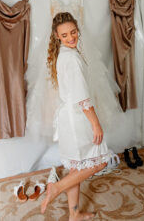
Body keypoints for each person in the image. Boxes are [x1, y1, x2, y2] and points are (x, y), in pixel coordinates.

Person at [41, 12, 111, 220]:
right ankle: (57, 188)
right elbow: (82, 98)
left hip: (68, 118)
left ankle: (74, 214)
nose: (71, 38)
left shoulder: (65, 54)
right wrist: (96, 125)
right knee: (100, 162)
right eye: (65, 35)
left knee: (76, 168)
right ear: (57, 36)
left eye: (73, 32)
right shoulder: (70, 58)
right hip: (77, 119)